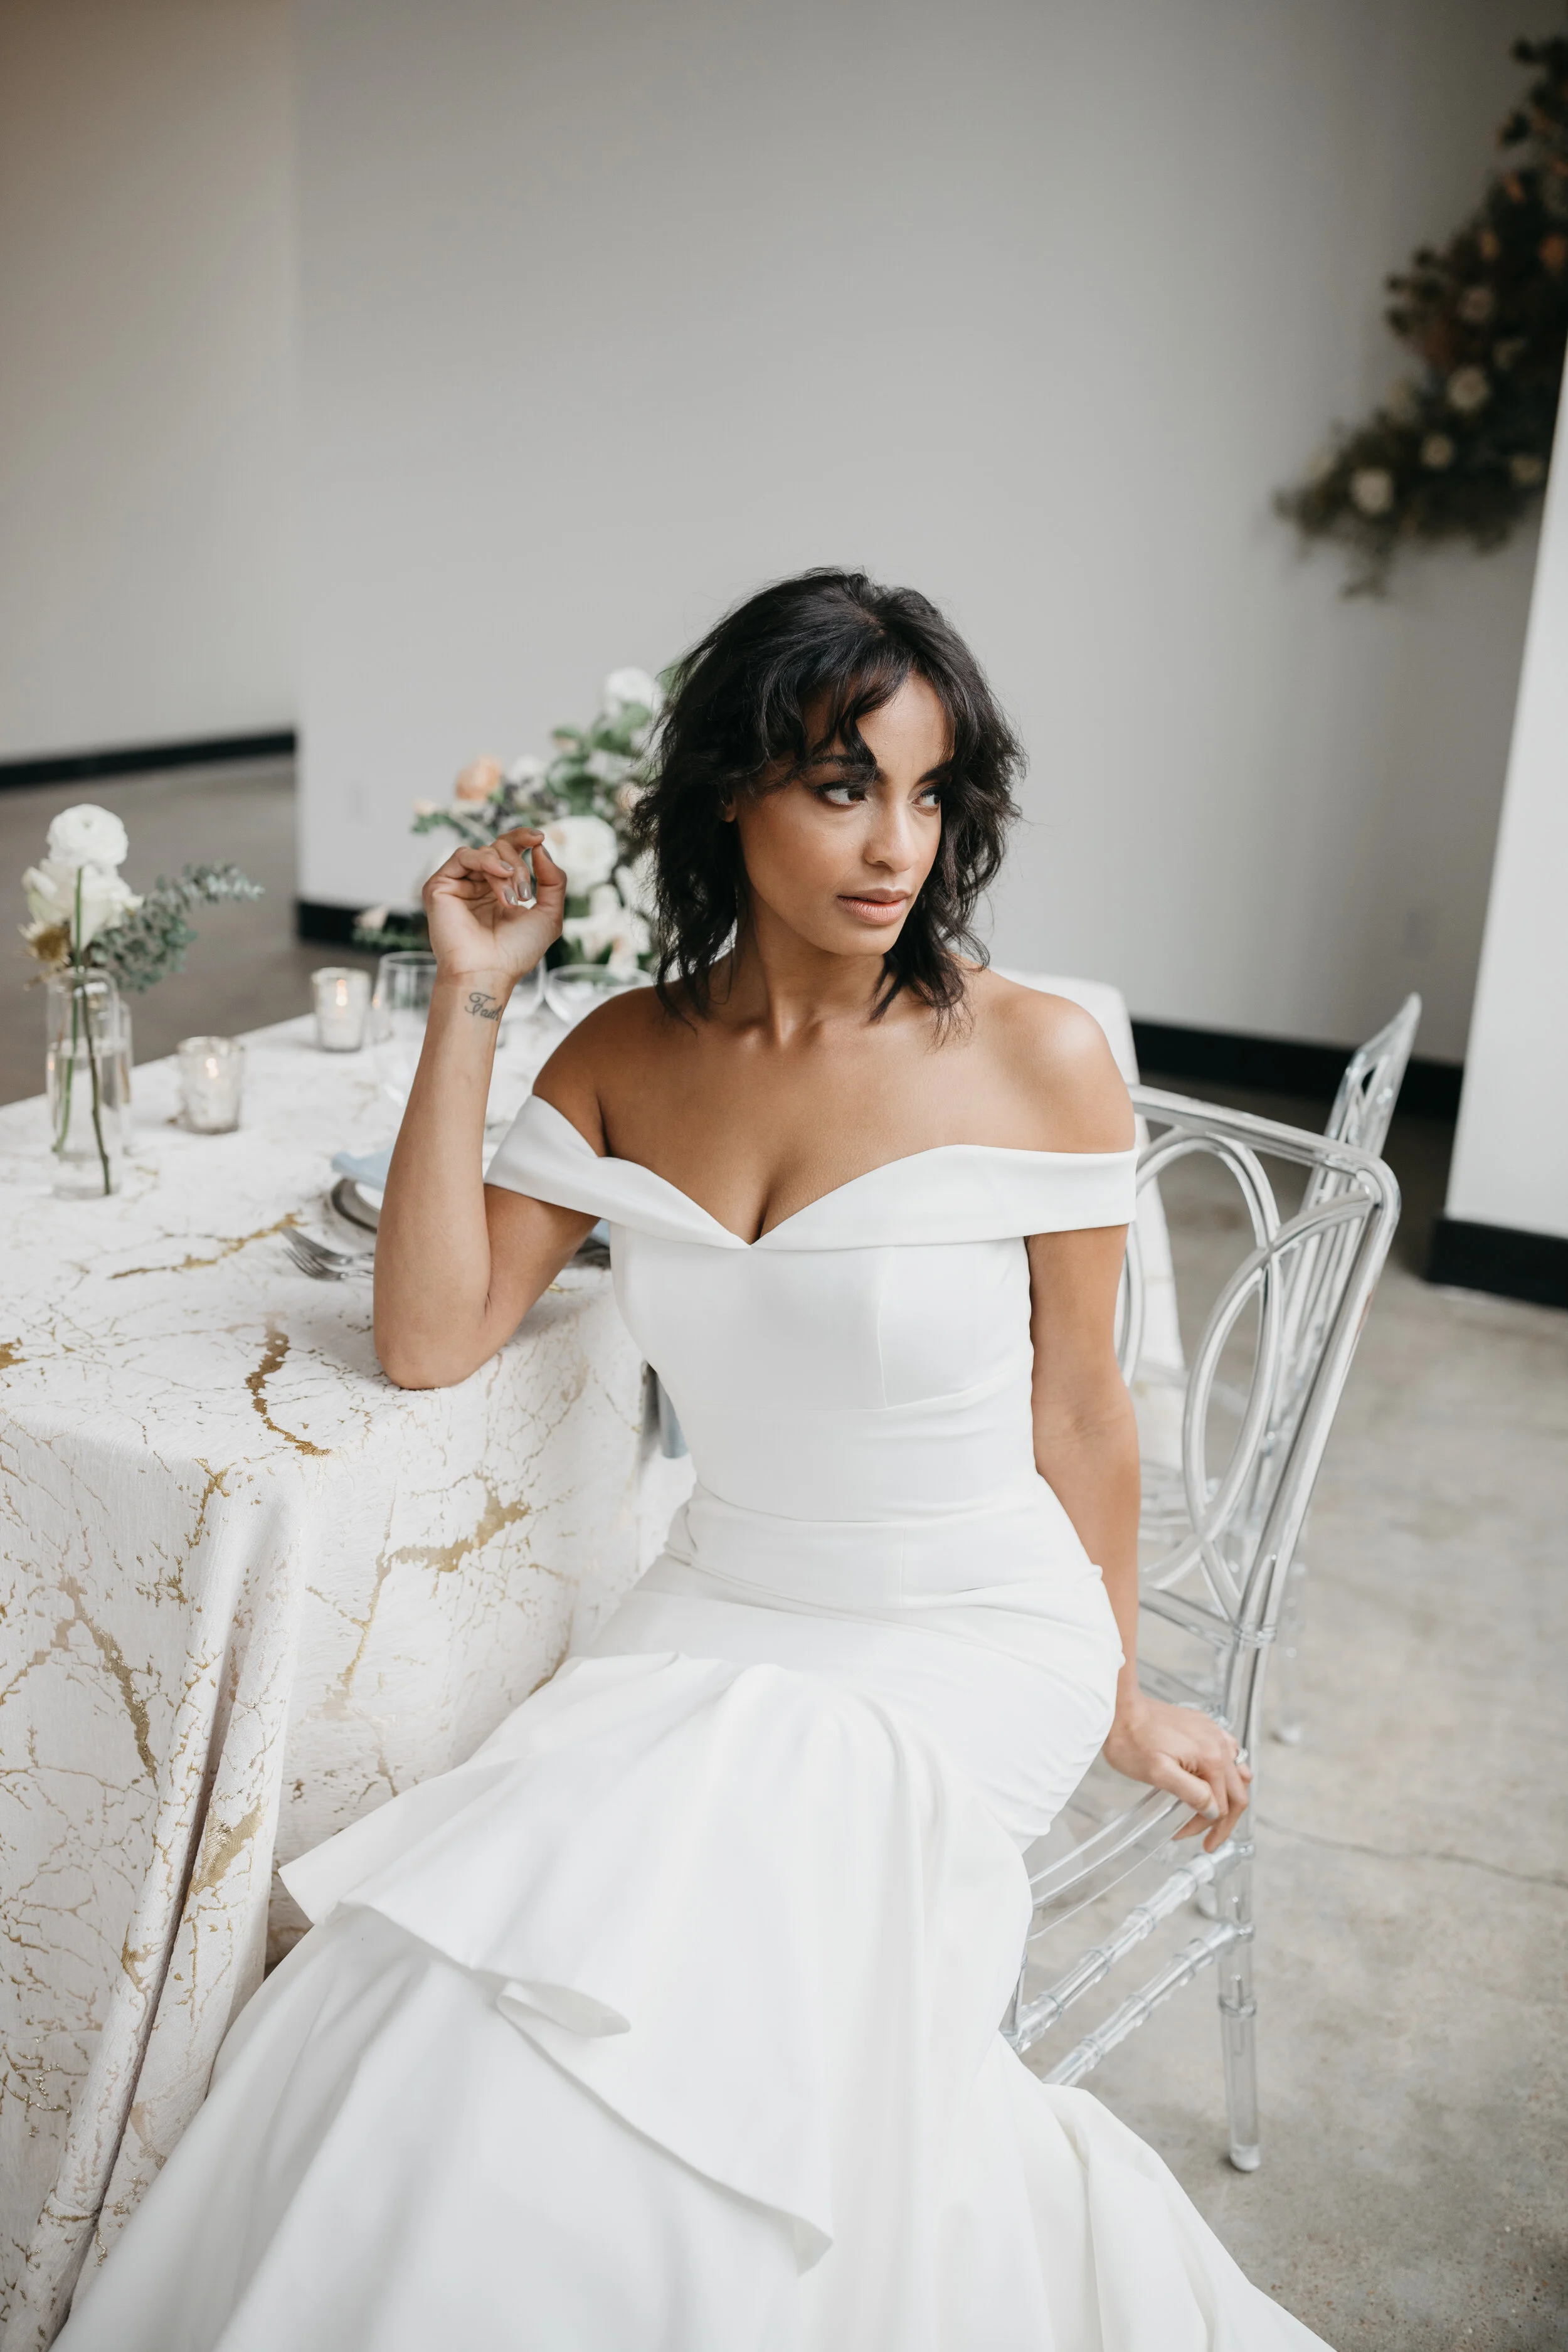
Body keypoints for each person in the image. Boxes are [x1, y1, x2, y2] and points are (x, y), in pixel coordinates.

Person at [58, 571, 1325, 2349]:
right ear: (728, 792)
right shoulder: (624, 1053)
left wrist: (1117, 1692)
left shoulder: (1034, 1056)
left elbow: (1082, 1416)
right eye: (839, 784)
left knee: (697, 1979)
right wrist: (467, 999)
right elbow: (428, 1332)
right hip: (717, 1599)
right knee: (429, 2000)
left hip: (964, 1631)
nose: (897, 843)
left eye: (929, 791)